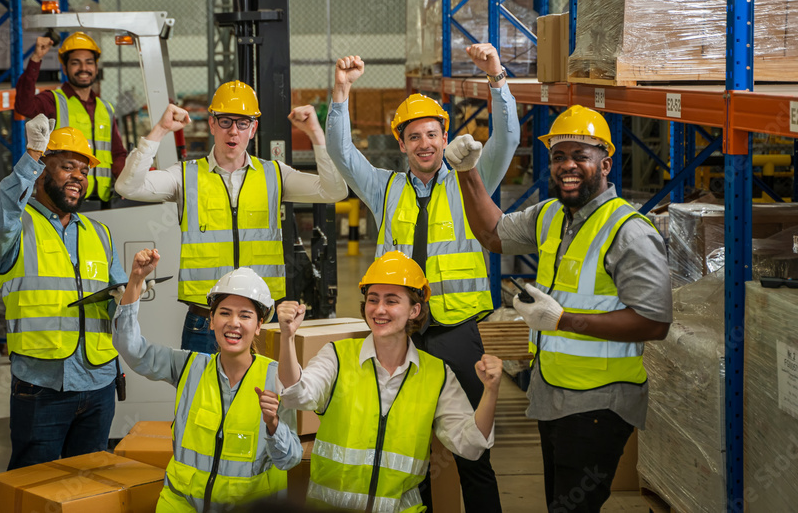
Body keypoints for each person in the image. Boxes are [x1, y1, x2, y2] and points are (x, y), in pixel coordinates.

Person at [326, 45, 519, 511]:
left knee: (473, 447)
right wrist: (341, 91)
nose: (425, 144)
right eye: (414, 137)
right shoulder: (383, 188)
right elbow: (341, 151)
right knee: (412, 450)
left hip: (456, 333)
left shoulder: (471, 179)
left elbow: (507, 140)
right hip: (403, 338)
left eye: (432, 134)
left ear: (443, 136)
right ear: (403, 143)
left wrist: (497, 80)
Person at [456, 104, 672, 513]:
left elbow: (654, 322)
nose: (567, 166)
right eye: (558, 157)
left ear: (605, 163)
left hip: (600, 404)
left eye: (580, 156)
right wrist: (468, 171)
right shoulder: (552, 215)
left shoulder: (628, 232)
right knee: (561, 502)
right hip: (554, 394)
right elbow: (491, 233)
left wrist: (563, 321)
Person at [113, 80, 348, 353]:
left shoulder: (275, 175)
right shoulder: (186, 176)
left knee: (259, 396)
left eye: (243, 122)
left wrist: (315, 133)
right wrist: (160, 129)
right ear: (212, 124)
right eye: (225, 121)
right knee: (201, 395)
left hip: (259, 321)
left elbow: (334, 191)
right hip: (206, 322)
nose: (233, 131)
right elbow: (127, 186)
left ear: (254, 128)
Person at [276, 251, 502, 512]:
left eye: (391, 301)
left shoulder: (436, 375)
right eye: (373, 299)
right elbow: (296, 395)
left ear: (414, 310)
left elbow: (471, 446)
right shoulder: (337, 357)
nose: (379, 309)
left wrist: (491, 391)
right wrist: (287, 338)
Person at [0, 114, 127, 470]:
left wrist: (134, 284)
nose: (78, 177)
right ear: (43, 171)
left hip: (98, 382)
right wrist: (31, 155)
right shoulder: (15, 228)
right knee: (35, 487)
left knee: (90, 487)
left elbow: (120, 300)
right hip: (41, 386)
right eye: (67, 167)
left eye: (84, 170)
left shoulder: (99, 233)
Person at [113, 250, 302, 511]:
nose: (233, 323)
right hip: (181, 505)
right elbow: (132, 349)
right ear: (211, 321)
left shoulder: (278, 377)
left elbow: (290, 459)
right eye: (224, 313)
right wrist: (135, 282)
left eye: (245, 316)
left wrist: (273, 425)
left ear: (258, 325)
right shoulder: (189, 366)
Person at [15, 32, 127, 205]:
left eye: (89, 62)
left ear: (96, 68)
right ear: (65, 69)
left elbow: (117, 153)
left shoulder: (106, 108)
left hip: (103, 201)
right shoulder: (53, 101)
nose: (84, 68)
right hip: (62, 202)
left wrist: (126, 183)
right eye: (76, 63)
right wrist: (36, 58)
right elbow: (24, 105)